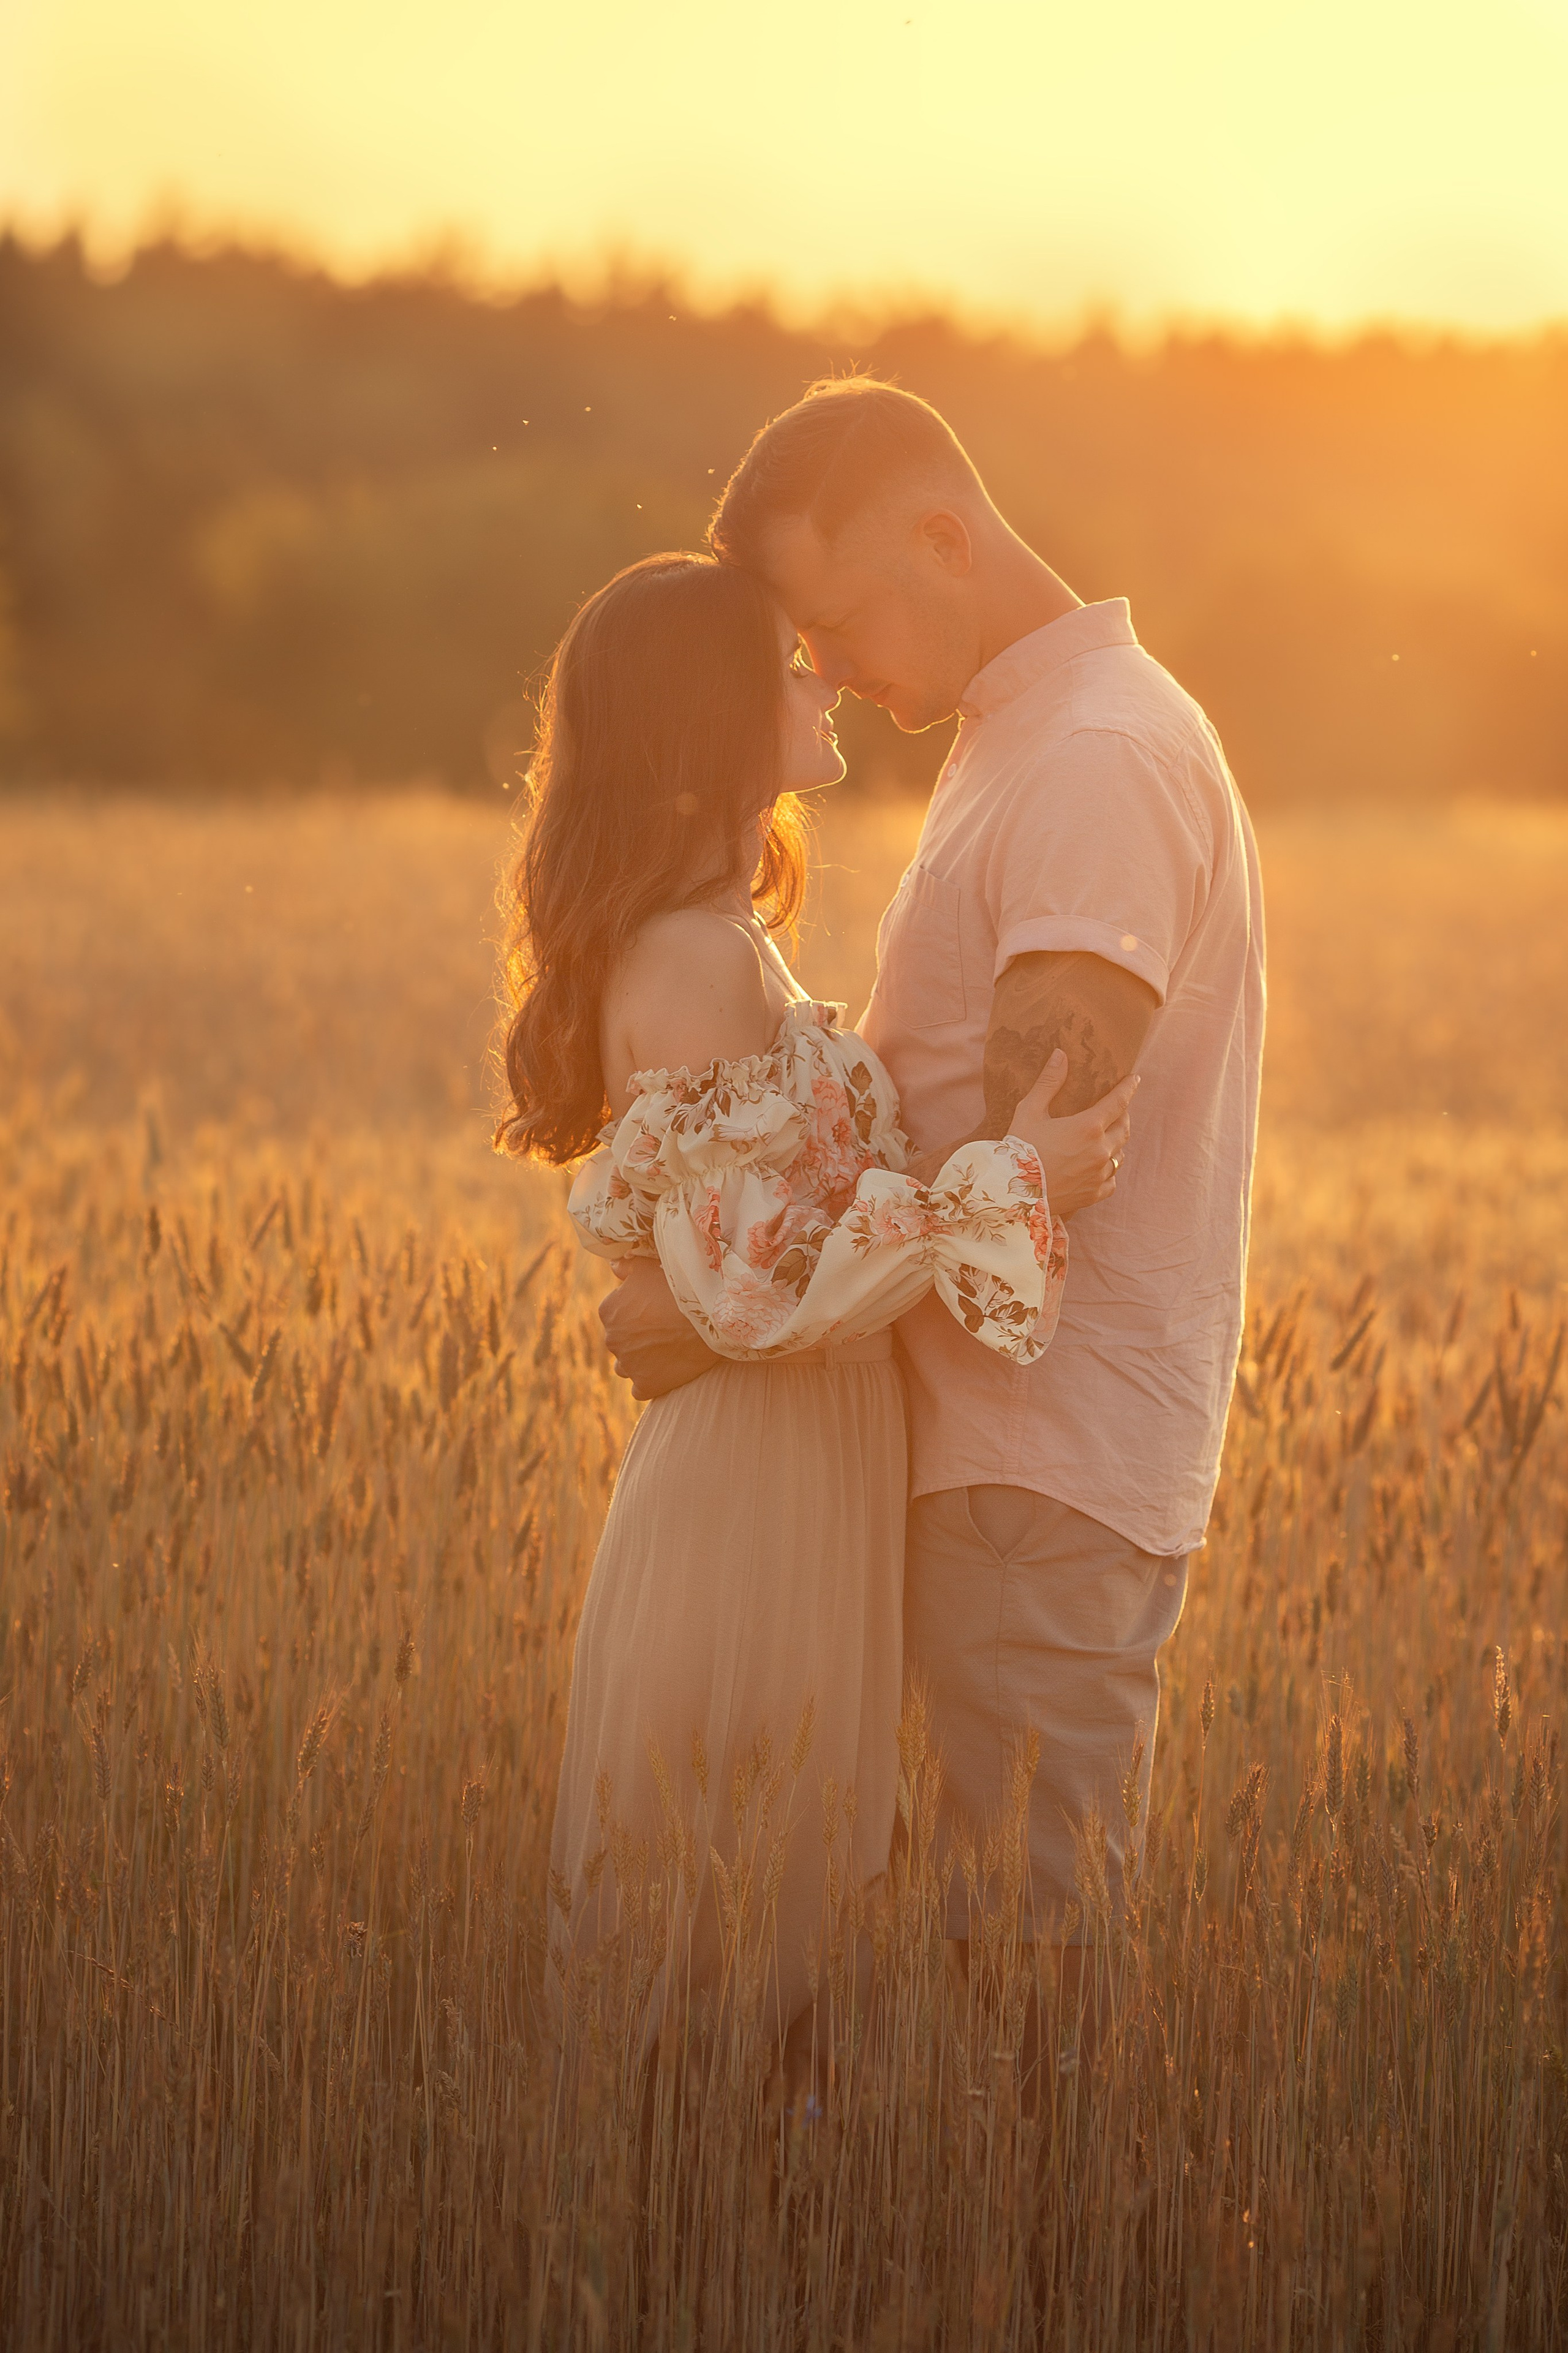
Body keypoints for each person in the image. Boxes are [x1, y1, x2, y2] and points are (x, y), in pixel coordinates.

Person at [603, 381, 1265, 1991]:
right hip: (970, 1450)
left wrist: (727, 1305)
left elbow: (1050, 1156)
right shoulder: (1022, 735)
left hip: (1030, 1462)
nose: (824, 666)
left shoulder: (1095, 754)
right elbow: (977, 1148)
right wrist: (738, 1288)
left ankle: (1030, 2189)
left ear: (944, 539)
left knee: (1022, 1967)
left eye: (833, 619)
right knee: (941, 1960)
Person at [494, 550, 1135, 2065]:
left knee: (777, 1901)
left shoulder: (728, 944)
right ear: (704, 713)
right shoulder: (692, 957)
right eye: (788, 661)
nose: (824, 676)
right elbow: (757, 1281)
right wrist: (1013, 1178)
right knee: (721, 1918)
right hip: (754, 1492)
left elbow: (761, 1257)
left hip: (803, 1465)